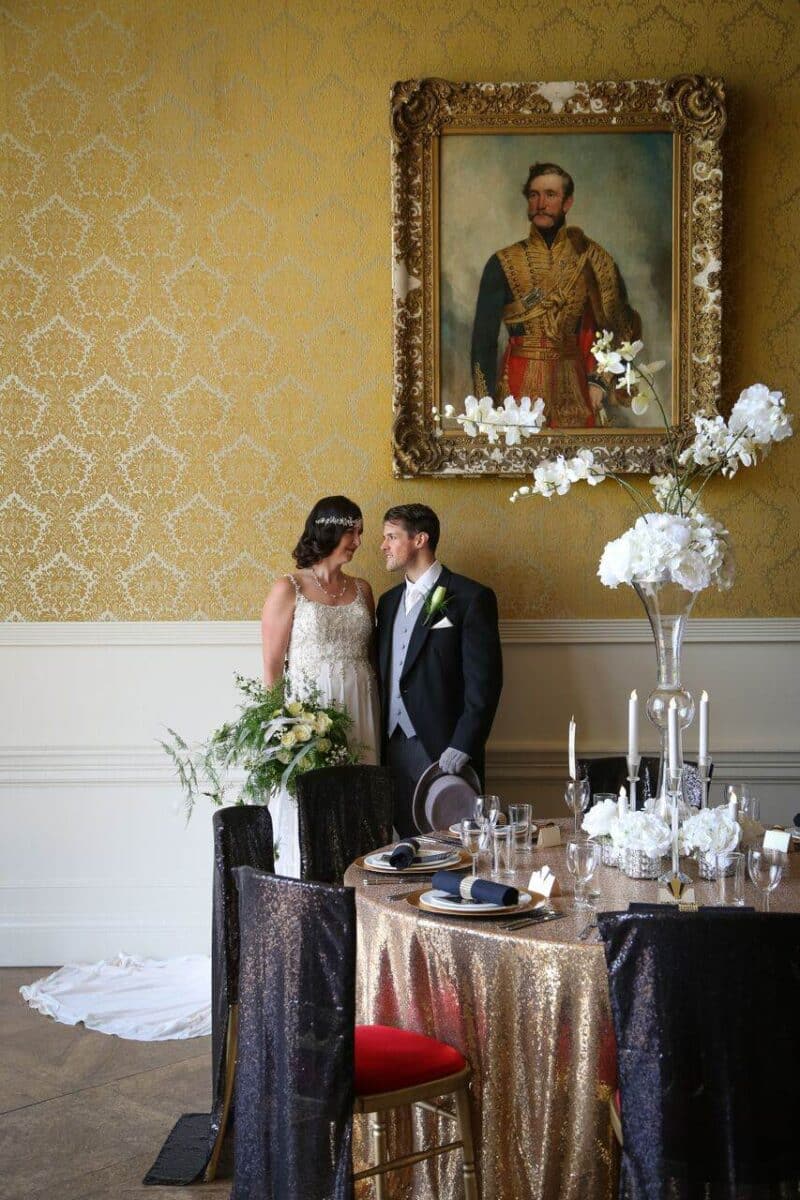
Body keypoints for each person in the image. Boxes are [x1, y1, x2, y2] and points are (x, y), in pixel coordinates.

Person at [470, 161, 641, 428]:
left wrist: (599, 382)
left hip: (575, 389)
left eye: (550, 195)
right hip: (516, 387)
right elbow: (483, 342)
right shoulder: (501, 262)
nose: (540, 203)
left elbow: (620, 327)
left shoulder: (594, 259)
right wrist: (485, 407)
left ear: (567, 203)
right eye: (534, 195)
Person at [261, 496, 381, 875]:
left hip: (361, 709)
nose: (359, 541)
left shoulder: (363, 590)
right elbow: (272, 666)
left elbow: (373, 656)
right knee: (309, 808)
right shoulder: (288, 587)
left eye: (360, 532)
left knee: (358, 806)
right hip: (309, 715)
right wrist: (281, 729)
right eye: (352, 531)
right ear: (328, 530)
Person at [376, 503, 503, 837]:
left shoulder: (468, 597)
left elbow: (485, 683)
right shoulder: (387, 603)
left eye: (391, 536)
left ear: (420, 539)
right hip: (392, 745)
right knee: (403, 844)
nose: (383, 546)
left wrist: (464, 743)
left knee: (452, 848)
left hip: (444, 747)